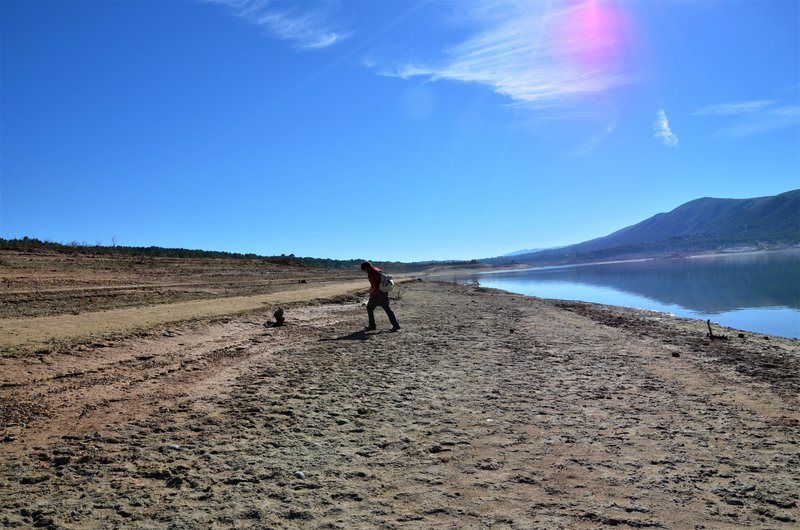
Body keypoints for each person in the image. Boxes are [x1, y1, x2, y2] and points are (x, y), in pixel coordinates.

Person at [361, 261, 400, 332]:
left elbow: (373, 286)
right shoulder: (377, 270)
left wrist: (369, 292)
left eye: (364, 270)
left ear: (366, 267)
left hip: (376, 294)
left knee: (369, 308)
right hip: (384, 292)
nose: (365, 271)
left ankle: (372, 326)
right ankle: (395, 325)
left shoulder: (371, 272)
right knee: (387, 309)